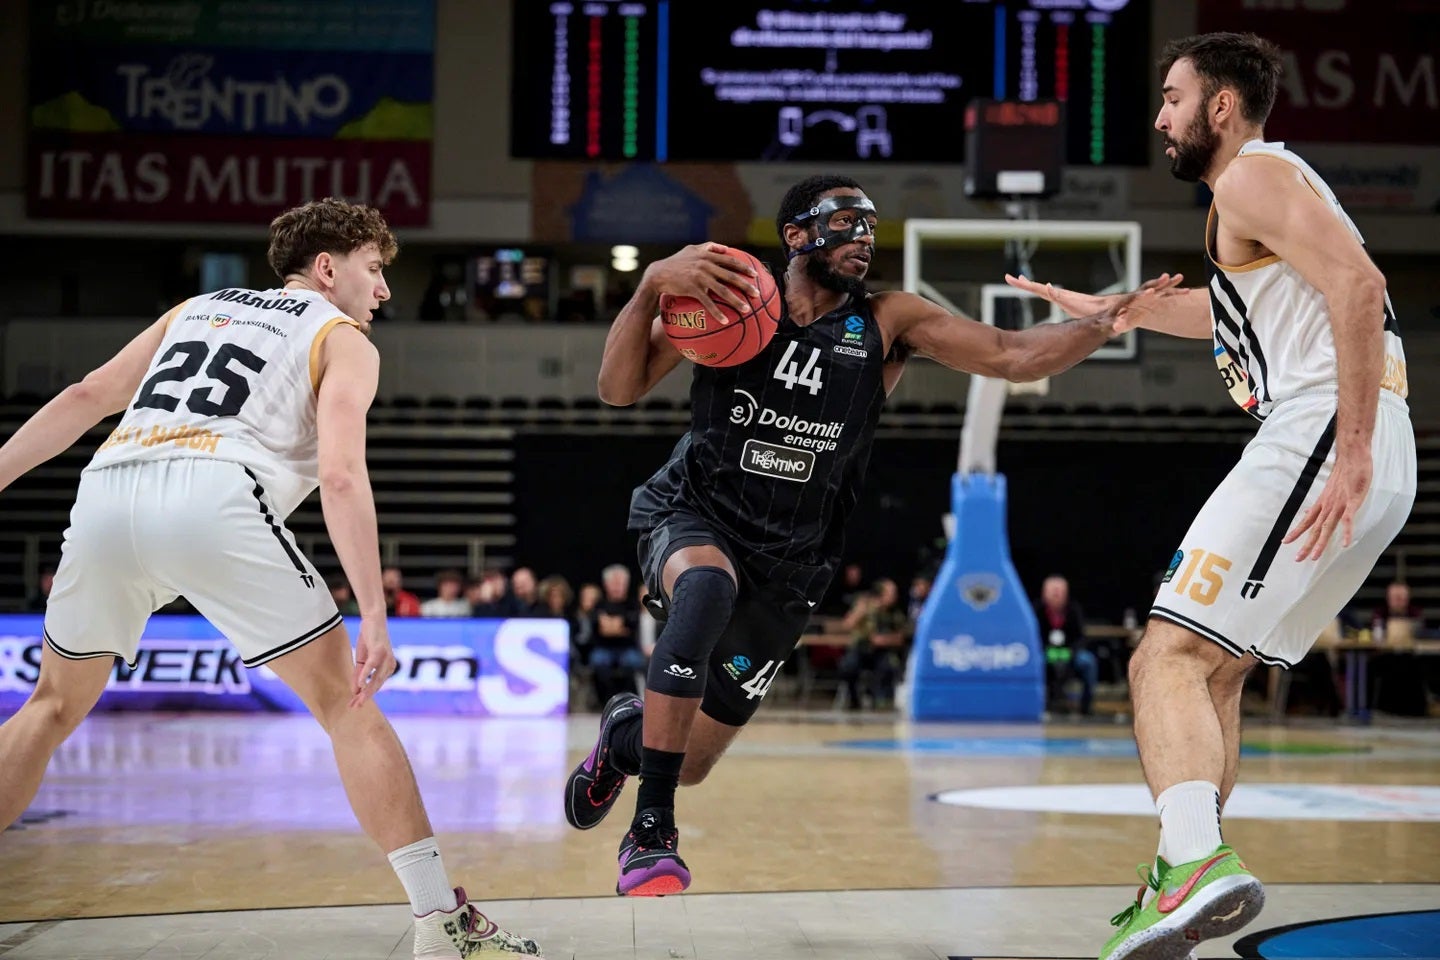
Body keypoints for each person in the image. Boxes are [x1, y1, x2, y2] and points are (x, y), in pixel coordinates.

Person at [565, 173, 1173, 897]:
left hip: (792, 560)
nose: (864, 240)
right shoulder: (727, 300)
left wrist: (1107, 321)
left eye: (871, 228)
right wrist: (650, 287)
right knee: (704, 587)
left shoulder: (888, 321)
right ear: (796, 235)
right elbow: (617, 388)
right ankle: (651, 830)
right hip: (696, 511)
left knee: (690, 758)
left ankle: (623, 739)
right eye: (846, 223)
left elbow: (1013, 354)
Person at [0, 198, 541, 959]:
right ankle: (441, 926)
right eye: (375, 270)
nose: (383, 290)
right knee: (347, 707)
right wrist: (377, 618)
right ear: (328, 268)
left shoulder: (195, 307)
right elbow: (342, 476)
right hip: (216, 498)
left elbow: (87, 395)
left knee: (50, 706)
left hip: (108, 491)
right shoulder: (340, 336)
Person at [1008, 32, 1416, 960]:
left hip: (1324, 429)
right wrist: (1120, 309)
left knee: (1163, 657)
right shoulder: (1269, 193)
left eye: (1172, 98)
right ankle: (1180, 876)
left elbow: (1361, 286)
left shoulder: (1250, 179)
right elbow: (1245, 314)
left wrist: (1345, 446)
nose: (1160, 117)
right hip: (1358, 439)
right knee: (1218, 667)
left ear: (1220, 107)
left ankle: (1192, 861)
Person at [1034, 574, 1097, 716]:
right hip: (1046, 652)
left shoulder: (1074, 609)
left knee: (1088, 661)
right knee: (1035, 661)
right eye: (1052, 591)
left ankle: (1085, 708)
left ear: (1066, 593)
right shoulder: (1036, 610)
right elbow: (1033, 637)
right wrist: (1047, 651)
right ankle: (1040, 706)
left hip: (1070, 652)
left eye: (1059, 591)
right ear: (1044, 593)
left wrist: (1070, 652)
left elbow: (1081, 637)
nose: (1056, 594)